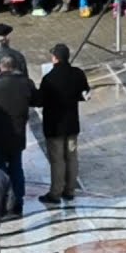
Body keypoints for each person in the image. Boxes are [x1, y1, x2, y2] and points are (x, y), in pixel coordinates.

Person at [0, 55, 37, 214]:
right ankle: (18, 202)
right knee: (16, 167)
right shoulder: (25, 83)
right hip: (18, 132)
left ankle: (2, 201)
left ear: (1, 67)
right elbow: (37, 100)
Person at [37, 43, 88, 205]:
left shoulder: (49, 78)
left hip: (54, 125)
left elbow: (41, 100)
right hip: (72, 123)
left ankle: (55, 193)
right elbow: (85, 93)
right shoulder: (78, 73)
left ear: (55, 58)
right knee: (72, 157)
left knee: (58, 160)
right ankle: (70, 190)